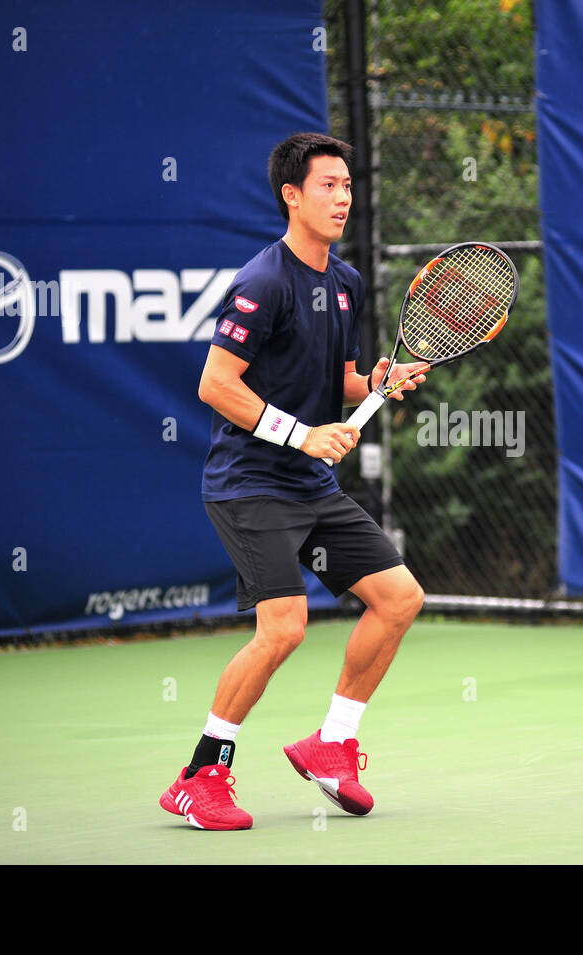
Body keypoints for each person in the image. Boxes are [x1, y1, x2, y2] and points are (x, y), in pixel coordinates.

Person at [159, 132, 428, 829]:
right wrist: (301, 434)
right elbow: (216, 384)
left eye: (347, 185)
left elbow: (335, 380)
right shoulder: (263, 281)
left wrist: (377, 381)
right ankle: (200, 775)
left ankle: (332, 743)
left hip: (309, 486)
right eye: (327, 186)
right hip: (250, 485)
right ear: (291, 195)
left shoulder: (345, 284)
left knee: (398, 597)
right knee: (284, 627)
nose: (343, 198)